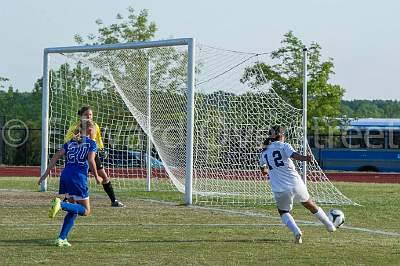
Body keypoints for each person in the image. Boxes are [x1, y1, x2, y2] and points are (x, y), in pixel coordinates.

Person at [259, 125, 336, 244]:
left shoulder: (264, 152)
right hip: (296, 183)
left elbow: (263, 171)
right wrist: (305, 158)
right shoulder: (284, 146)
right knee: (310, 204)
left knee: (283, 212)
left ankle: (296, 232)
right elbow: (294, 155)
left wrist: (271, 169)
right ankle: (330, 225)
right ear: (281, 136)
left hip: (280, 188)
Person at [38, 119, 101, 247]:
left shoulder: (71, 142)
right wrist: (97, 176)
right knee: (86, 210)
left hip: (65, 175)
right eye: (94, 128)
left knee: (73, 210)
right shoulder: (91, 143)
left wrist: (45, 174)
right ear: (90, 130)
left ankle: (61, 238)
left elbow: (56, 156)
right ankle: (60, 204)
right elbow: (91, 160)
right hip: (77, 178)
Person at [64, 106, 124, 207]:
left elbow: (98, 138)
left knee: (104, 176)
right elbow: (68, 141)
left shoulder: (95, 125)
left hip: (92, 154)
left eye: (90, 115)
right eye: (86, 115)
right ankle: (66, 199)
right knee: (77, 179)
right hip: (80, 156)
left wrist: (101, 148)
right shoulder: (75, 127)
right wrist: (79, 140)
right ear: (81, 116)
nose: (88, 117)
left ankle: (114, 200)